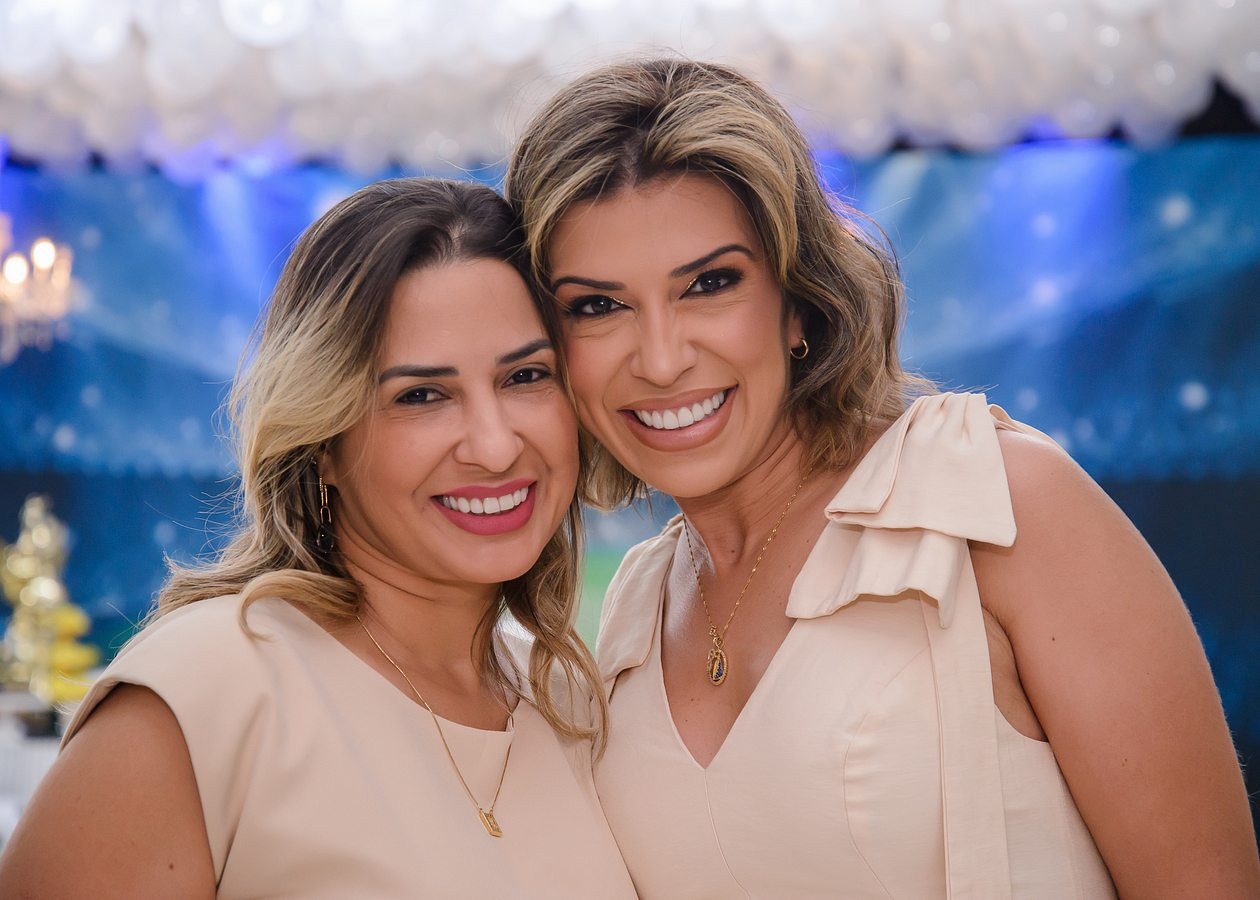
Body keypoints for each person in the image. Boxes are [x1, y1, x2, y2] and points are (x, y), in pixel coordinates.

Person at [505, 59, 1260, 898]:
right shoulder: (633, 612)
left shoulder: (998, 503)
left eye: (710, 284)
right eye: (597, 306)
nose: (660, 358)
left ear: (797, 300)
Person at [0, 178, 635, 898]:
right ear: (323, 441)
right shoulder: (206, 693)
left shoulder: (569, 706)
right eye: (421, 395)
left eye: (525, 376)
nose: (494, 446)